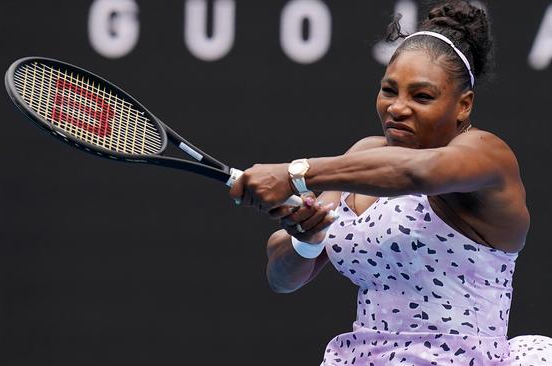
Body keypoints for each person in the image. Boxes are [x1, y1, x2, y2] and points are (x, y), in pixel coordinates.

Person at [229, 1, 552, 364]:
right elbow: (283, 279)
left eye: (422, 96)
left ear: (464, 105)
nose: (397, 107)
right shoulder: (364, 157)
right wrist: (306, 239)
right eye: (389, 90)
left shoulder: (487, 155)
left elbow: (417, 173)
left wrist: (294, 173)